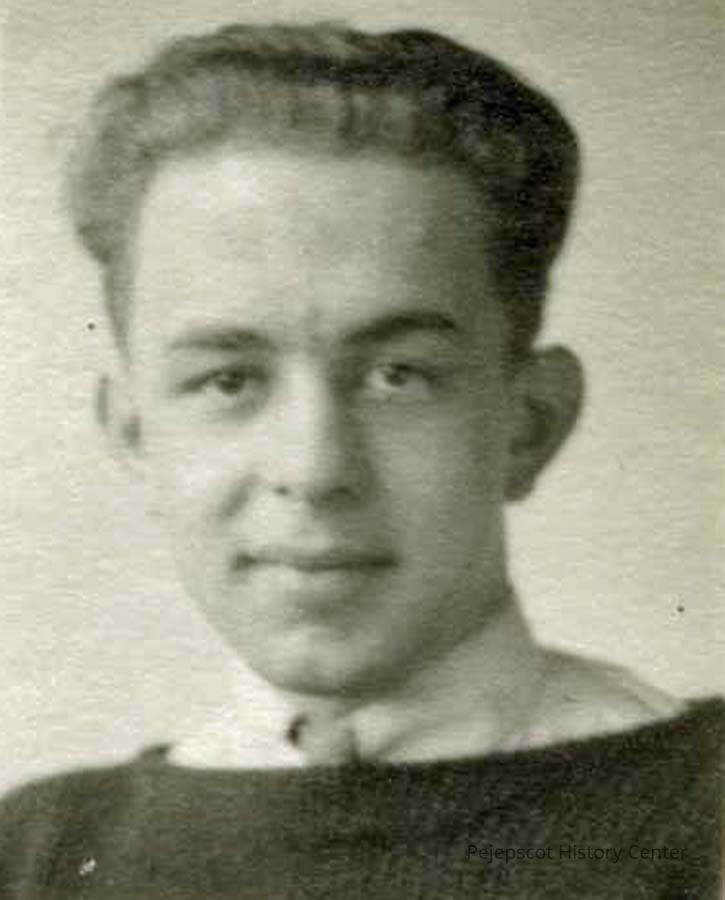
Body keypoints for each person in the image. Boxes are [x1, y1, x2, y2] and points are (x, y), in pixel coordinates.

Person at [0, 22, 721, 899]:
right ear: (135, 435)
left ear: (531, 422)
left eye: (398, 376)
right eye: (229, 379)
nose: (312, 470)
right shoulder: (36, 858)